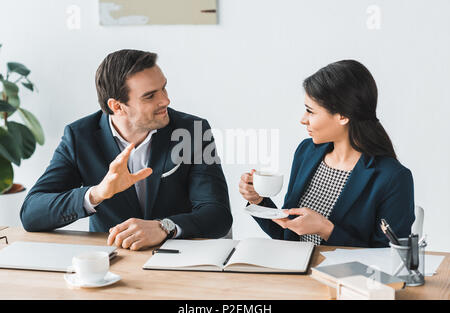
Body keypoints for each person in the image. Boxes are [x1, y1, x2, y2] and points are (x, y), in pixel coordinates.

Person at [20, 49, 232, 250]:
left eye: (164, 88)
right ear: (117, 106)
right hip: (113, 264)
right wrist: (97, 193)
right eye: (150, 96)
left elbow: (218, 215)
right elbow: (32, 213)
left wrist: (165, 226)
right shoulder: (80, 137)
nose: (165, 100)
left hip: (181, 260)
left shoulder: (192, 131)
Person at [239, 60, 414, 248]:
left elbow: (389, 257)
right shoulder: (306, 152)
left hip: (345, 277)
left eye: (310, 111)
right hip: (295, 273)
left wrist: (326, 229)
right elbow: (287, 236)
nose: (303, 120)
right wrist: (258, 201)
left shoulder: (393, 178)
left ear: (343, 116)